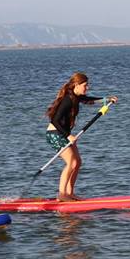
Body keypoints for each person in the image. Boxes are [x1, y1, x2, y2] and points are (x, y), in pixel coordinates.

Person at [45, 72, 118, 201]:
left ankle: (69, 193)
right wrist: (68, 136)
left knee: (77, 162)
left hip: (63, 134)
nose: (87, 87)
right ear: (76, 85)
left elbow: (88, 100)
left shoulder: (76, 97)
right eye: (85, 85)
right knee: (71, 162)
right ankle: (62, 194)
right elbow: (55, 121)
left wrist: (107, 100)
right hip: (55, 134)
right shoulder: (67, 100)